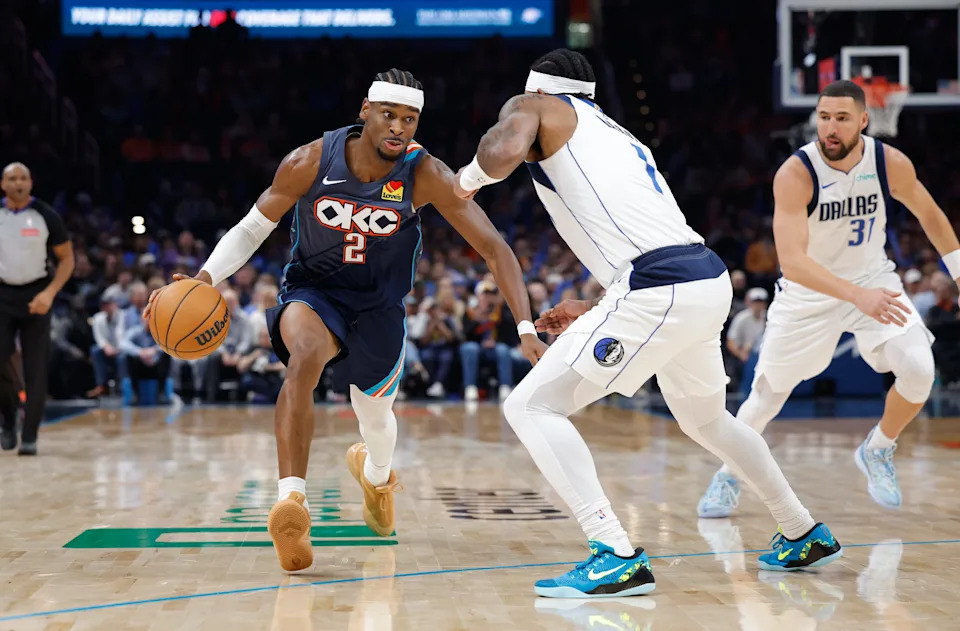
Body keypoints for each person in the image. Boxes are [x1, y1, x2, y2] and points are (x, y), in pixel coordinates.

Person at [453, 48, 841, 598]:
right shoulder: (615, 133)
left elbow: (503, 150)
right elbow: (645, 238)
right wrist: (595, 307)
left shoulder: (537, 106)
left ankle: (613, 551)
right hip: (702, 279)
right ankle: (802, 530)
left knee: (532, 405)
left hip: (660, 287)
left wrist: (465, 181)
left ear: (539, 92)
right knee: (708, 421)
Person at [143, 68, 546, 572]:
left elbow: (494, 248)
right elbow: (251, 229)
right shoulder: (311, 160)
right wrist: (205, 278)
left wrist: (526, 328)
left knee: (374, 419)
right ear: (365, 111)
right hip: (315, 291)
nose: (399, 127)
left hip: (379, 307)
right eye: (389, 115)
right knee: (304, 359)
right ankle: (292, 501)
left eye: (410, 119)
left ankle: (377, 477)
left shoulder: (425, 174)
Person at [698, 80, 956, 517]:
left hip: (872, 278)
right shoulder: (796, 174)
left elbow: (930, 214)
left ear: (863, 121)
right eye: (823, 117)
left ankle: (877, 448)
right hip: (807, 294)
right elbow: (794, 264)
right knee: (764, 401)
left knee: (918, 370)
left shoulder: (888, 162)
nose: (830, 128)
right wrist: (858, 297)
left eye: (841, 118)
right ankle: (728, 475)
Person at [0, 162, 75, 455]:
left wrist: (50, 293)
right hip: (3, 293)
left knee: (36, 368)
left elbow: (67, 259)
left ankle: (29, 434)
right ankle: (8, 418)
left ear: (30, 182)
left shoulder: (46, 215)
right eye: (11, 178)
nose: (18, 183)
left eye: (23, 178)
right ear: (3, 184)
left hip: (37, 292)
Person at [726, 287, 769, 383]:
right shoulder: (741, 318)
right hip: (746, 358)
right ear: (750, 303)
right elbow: (731, 341)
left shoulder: (770, 317)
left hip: (765, 356)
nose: (758, 305)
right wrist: (741, 355)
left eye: (760, 302)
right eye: (755, 302)